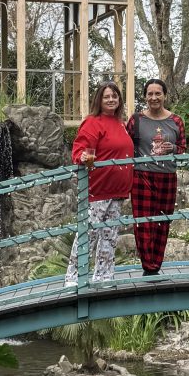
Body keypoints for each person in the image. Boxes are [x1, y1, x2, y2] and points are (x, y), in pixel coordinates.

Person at [65, 81, 134, 286]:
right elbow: (80, 149)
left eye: (114, 96)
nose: (111, 99)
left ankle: (104, 276)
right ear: (99, 100)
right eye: (107, 96)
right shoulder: (93, 122)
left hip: (118, 190)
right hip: (99, 188)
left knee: (110, 235)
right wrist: (83, 157)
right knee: (89, 232)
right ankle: (74, 277)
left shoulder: (121, 123)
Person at [126, 79, 186, 275]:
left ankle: (156, 264)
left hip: (167, 176)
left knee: (162, 221)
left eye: (157, 93)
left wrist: (174, 148)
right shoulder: (136, 120)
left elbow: (183, 149)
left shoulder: (176, 121)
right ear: (145, 96)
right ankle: (148, 266)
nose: (154, 98)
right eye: (150, 94)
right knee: (143, 222)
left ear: (165, 95)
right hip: (142, 176)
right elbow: (127, 147)